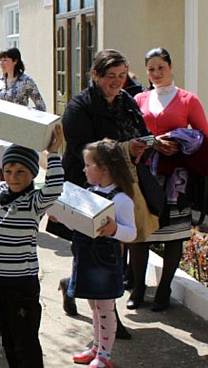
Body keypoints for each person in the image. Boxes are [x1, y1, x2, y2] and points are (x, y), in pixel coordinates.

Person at [56, 50, 155, 339]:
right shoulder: (79, 106)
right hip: (85, 185)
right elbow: (84, 150)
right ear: (95, 76)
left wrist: (146, 143)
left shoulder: (126, 101)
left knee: (108, 249)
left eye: (122, 76)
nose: (117, 82)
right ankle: (106, 316)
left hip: (119, 184)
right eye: (110, 76)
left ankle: (79, 290)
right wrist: (124, 149)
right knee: (89, 248)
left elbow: (141, 130)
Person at [0, 125, 64, 367]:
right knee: (8, 337)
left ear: (32, 174)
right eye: (8, 170)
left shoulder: (34, 201)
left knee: (25, 340)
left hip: (22, 284)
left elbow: (54, 187)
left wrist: (53, 154)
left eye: (21, 171)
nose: (13, 176)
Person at [129, 47, 208, 312]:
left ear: (171, 67)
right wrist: (154, 143)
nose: (156, 73)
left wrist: (181, 143)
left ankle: (163, 291)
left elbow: (203, 137)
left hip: (176, 179)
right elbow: (131, 134)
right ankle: (138, 290)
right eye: (151, 68)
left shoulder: (188, 100)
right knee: (141, 233)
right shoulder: (139, 99)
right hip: (145, 176)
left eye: (161, 67)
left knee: (174, 236)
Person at [68, 139, 137, 368]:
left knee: (106, 308)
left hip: (105, 262)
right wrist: (66, 217)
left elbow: (132, 233)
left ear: (104, 168)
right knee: (94, 306)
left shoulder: (121, 199)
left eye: (88, 165)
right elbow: (81, 224)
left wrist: (114, 229)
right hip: (86, 258)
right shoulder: (89, 193)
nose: (84, 169)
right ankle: (96, 347)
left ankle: (105, 355)